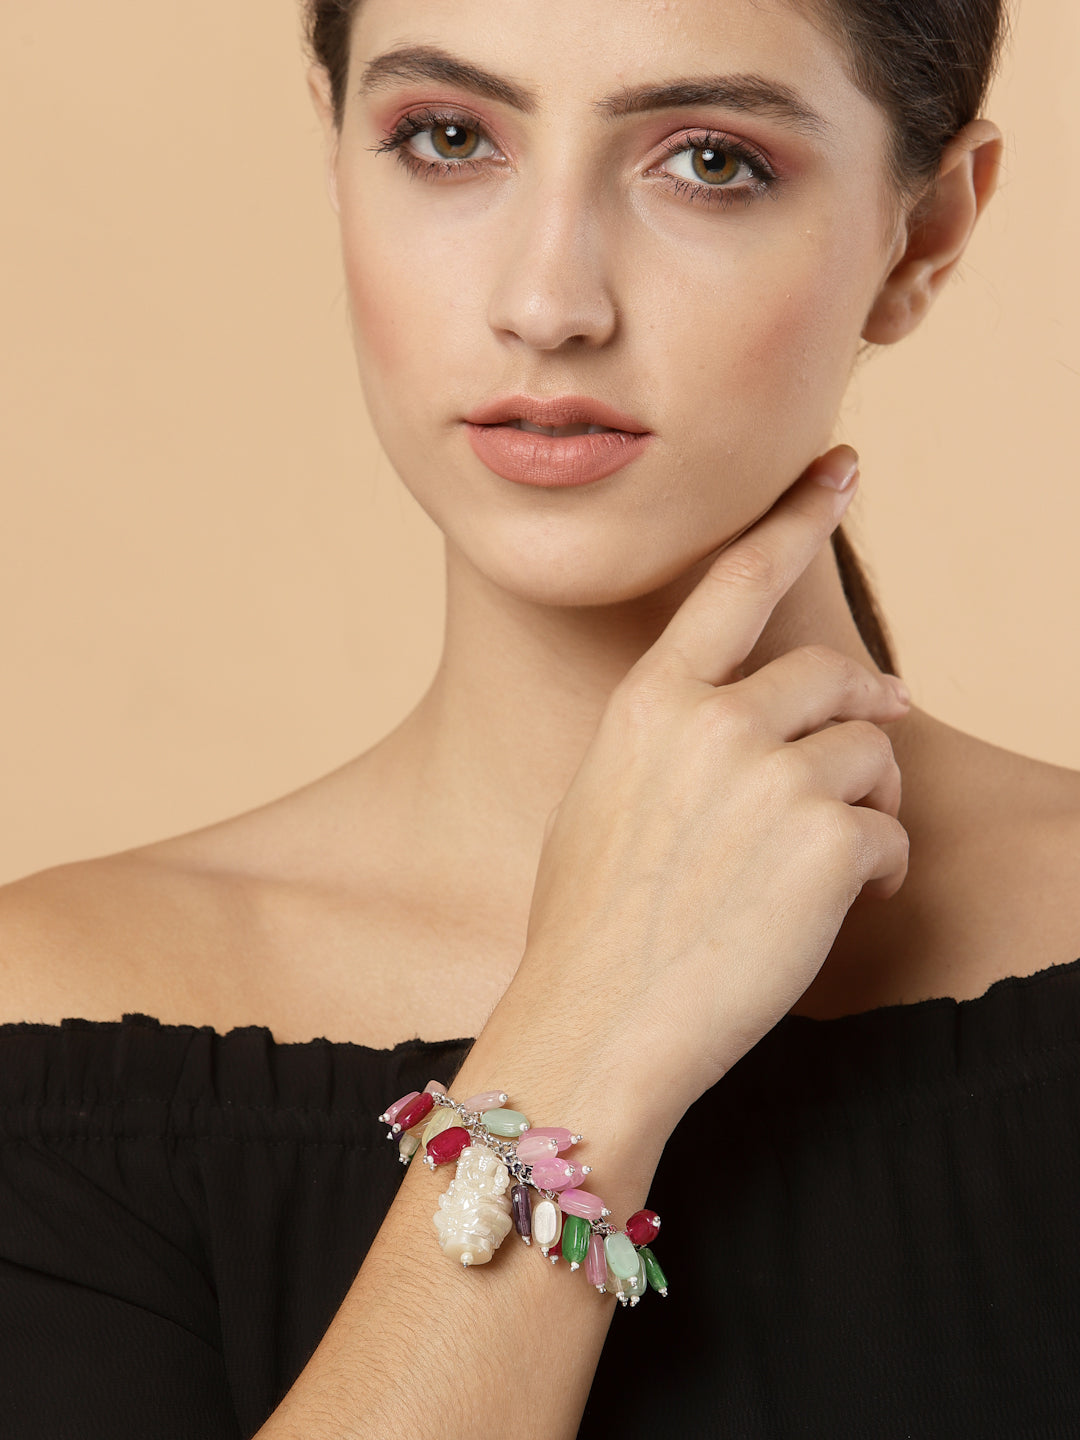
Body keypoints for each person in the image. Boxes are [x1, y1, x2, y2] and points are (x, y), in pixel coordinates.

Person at [2, 0, 1078, 1436]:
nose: (549, 302)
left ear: (924, 232)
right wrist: (582, 1032)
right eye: (449, 138)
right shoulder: (58, 1029)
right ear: (337, 162)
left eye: (710, 161)